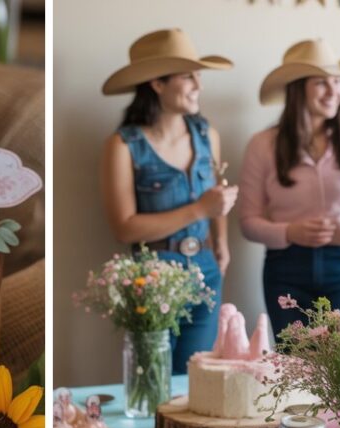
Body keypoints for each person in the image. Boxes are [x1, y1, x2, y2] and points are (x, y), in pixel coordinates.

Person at [100, 28, 238, 373]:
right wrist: (199, 209)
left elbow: (216, 197)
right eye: (188, 77)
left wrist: (221, 243)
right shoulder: (124, 145)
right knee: (154, 380)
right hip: (152, 275)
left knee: (196, 378)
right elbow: (125, 227)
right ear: (157, 83)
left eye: (199, 76)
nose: (199, 86)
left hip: (206, 269)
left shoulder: (207, 135)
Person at [240, 38, 340, 338]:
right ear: (297, 88)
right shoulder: (262, 144)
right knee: (294, 371)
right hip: (285, 269)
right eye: (321, 82)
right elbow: (248, 223)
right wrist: (289, 232)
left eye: (338, 81)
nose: (334, 91)